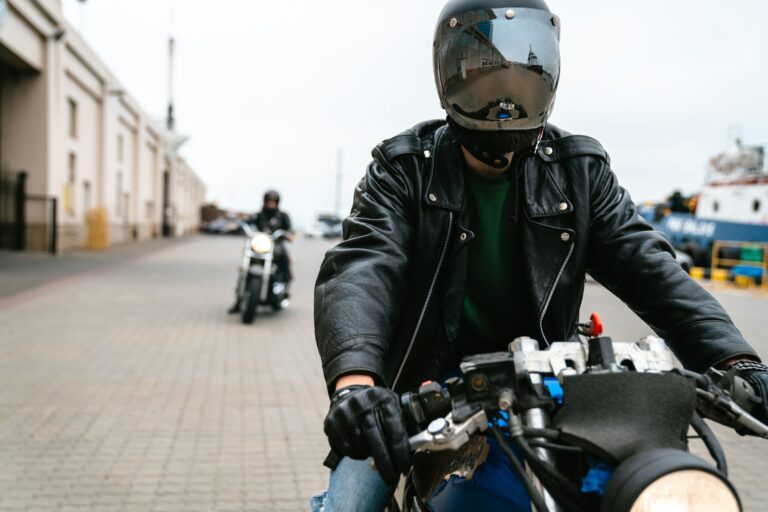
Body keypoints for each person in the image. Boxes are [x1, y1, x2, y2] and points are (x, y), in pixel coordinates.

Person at [312, 1, 768, 510]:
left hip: (542, 385)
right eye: (486, 74)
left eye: (522, 71)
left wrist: (738, 361)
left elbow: (650, 267)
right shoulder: (403, 169)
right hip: (419, 391)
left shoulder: (581, 170)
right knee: (349, 505)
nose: (504, 94)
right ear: (449, 73)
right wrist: (356, 387)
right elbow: (363, 265)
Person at [228, 190, 293, 314]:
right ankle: (238, 301)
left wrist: (289, 234)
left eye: (273, 202)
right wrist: (236, 226)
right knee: (244, 267)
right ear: (265, 201)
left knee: (284, 258)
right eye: (269, 201)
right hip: (259, 244)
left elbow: (289, 228)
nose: (271, 204)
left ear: (277, 202)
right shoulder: (259, 215)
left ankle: (283, 283)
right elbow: (246, 222)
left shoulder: (283, 216)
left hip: (275, 245)